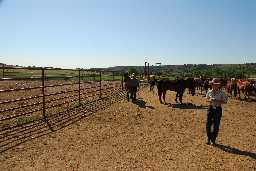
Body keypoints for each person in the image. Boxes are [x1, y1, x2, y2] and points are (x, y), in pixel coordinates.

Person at [205, 78, 228, 145]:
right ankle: (209, 138)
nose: (215, 86)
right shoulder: (209, 91)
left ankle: (213, 140)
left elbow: (225, 101)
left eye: (216, 85)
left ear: (218, 85)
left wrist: (217, 101)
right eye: (213, 84)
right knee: (208, 124)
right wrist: (210, 100)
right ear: (212, 85)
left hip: (218, 109)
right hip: (210, 108)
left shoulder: (222, 93)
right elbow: (206, 99)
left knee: (216, 125)